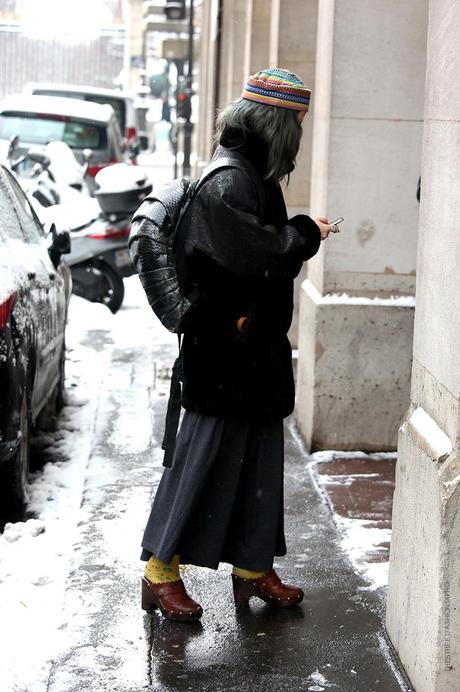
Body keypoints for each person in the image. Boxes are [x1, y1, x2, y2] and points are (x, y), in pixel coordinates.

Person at [137, 68, 332, 621]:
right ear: (277, 121)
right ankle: (160, 571)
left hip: (252, 352)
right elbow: (263, 253)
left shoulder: (253, 173)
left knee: (258, 465)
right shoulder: (232, 180)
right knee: (199, 461)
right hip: (223, 352)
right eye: (297, 119)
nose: (300, 129)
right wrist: (307, 232)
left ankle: (252, 569)